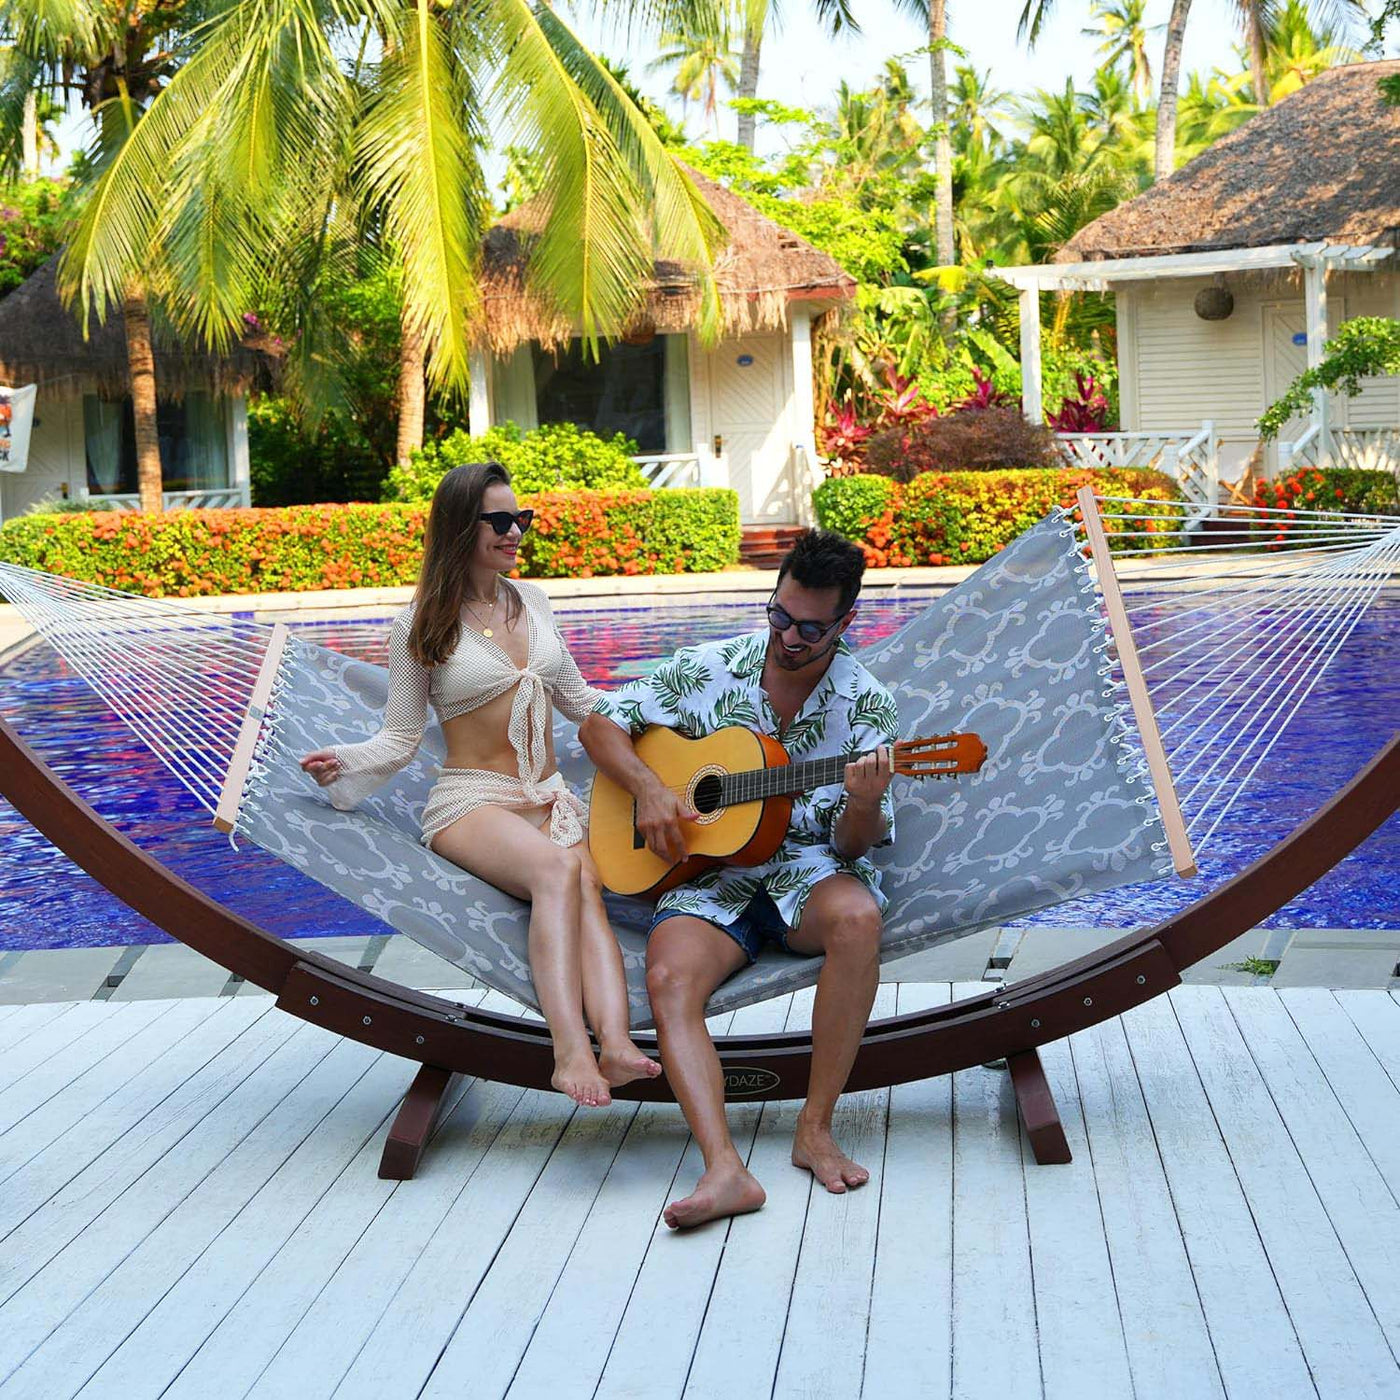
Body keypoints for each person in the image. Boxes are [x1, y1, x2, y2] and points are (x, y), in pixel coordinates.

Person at [300, 462, 660, 1109]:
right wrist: (345, 762)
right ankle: (569, 1051)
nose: (516, 532)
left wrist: (673, 712)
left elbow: (583, 702)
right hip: (472, 799)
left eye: (521, 519)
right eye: (500, 521)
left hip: (546, 795)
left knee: (586, 887)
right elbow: (400, 737)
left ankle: (616, 1043)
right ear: (461, 527)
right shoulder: (421, 624)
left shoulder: (535, 604)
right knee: (556, 873)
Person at [579, 530, 898, 1229]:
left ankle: (814, 1131)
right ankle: (724, 1169)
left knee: (859, 920)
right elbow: (601, 724)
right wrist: (651, 790)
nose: (788, 635)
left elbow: (852, 842)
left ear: (845, 624)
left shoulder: (867, 706)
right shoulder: (712, 666)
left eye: (810, 628)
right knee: (669, 980)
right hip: (708, 876)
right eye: (779, 615)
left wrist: (867, 802)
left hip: (809, 870)